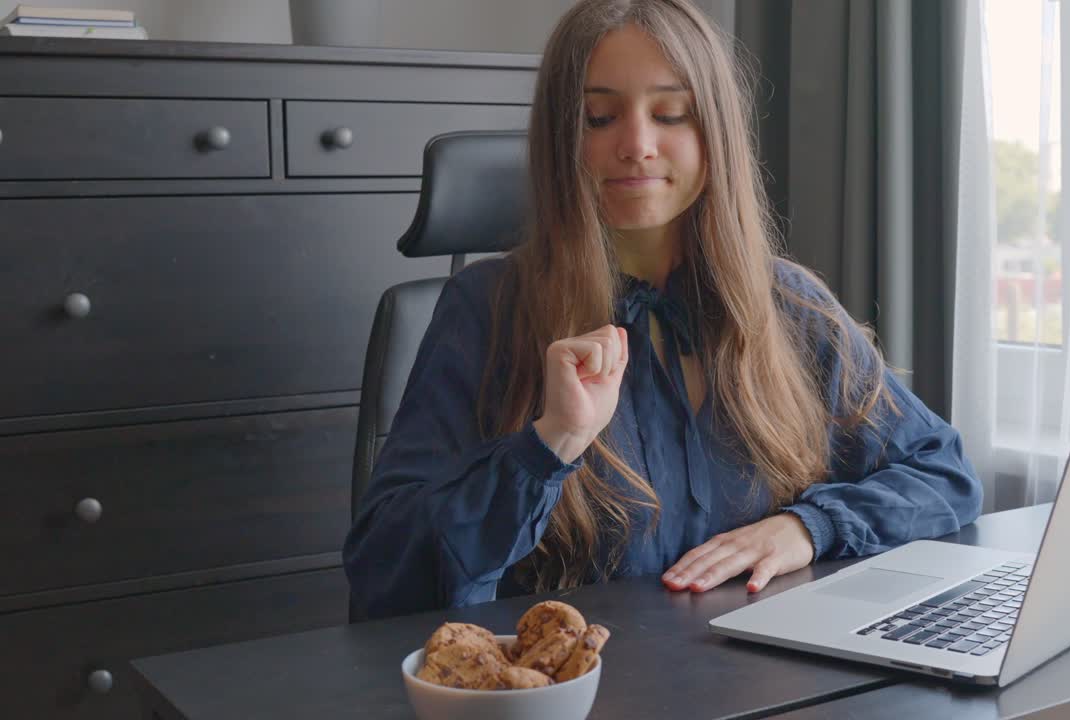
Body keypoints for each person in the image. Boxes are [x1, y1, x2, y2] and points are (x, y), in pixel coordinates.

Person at [344, 0, 982, 620]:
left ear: (715, 133)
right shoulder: (486, 309)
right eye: (598, 118)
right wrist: (550, 444)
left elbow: (943, 472)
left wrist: (806, 528)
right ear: (562, 138)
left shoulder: (791, 305)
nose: (637, 145)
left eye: (672, 113)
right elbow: (386, 570)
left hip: (766, 680)